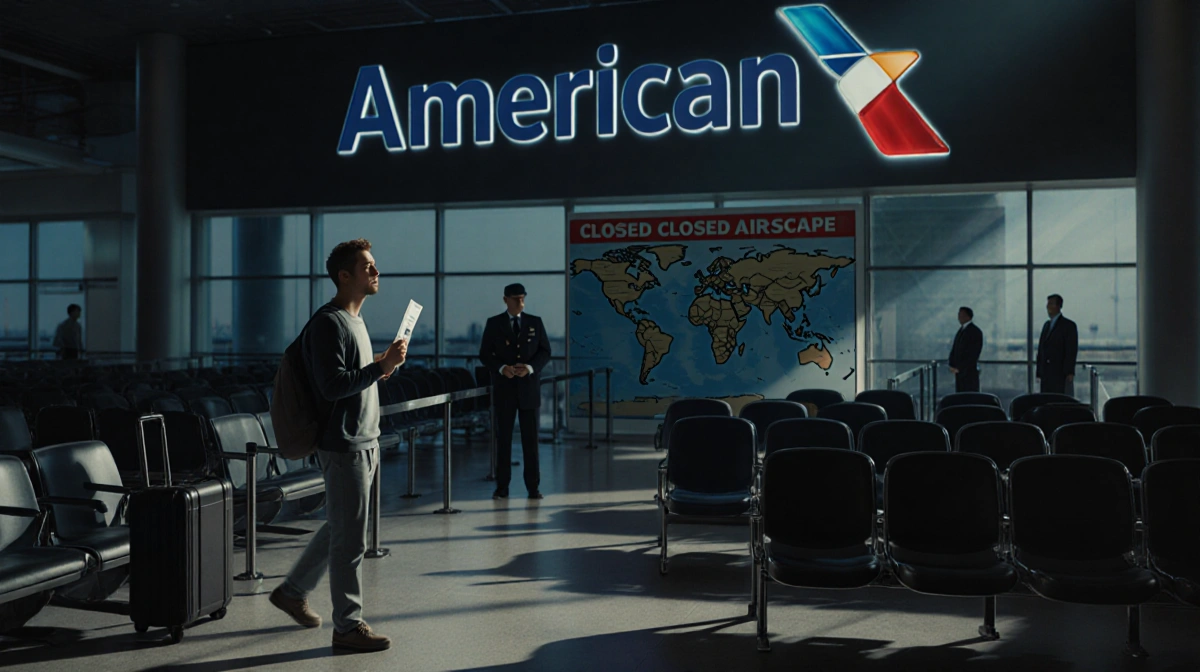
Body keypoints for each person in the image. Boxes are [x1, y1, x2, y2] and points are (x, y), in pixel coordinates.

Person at [269, 238, 407, 652]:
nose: (375, 271)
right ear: (344, 276)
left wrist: (381, 369)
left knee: (342, 529)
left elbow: (351, 381)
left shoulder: (355, 321)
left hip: (365, 439)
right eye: (367, 266)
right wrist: (380, 367)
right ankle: (347, 625)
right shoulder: (329, 322)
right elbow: (331, 387)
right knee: (350, 541)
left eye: (374, 265)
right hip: (343, 443)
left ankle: (292, 591)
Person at [478, 283, 551, 500]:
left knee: (531, 442)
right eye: (516, 298)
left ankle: (533, 487)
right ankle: (502, 487)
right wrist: (502, 368)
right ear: (505, 300)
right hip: (505, 390)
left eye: (522, 298)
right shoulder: (494, 324)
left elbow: (545, 351)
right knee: (504, 441)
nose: (520, 302)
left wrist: (529, 368)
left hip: (529, 390)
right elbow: (485, 354)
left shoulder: (535, 322)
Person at [1036, 293, 1078, 396]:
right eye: (1048, 304)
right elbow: (1041, 349)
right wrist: (1039, 371)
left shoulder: (1068, 326)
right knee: (1046, 400)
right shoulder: (1046, 326)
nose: (1048, 307)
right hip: (1046, 375)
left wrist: (1069, 371)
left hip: (1059, 374)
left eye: (1051, 304)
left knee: (1059, 400)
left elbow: (1071, 350)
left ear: (1058, 306)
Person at [948, 306, 983, 392]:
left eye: (961, 314)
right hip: (960, 372)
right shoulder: (961, 330)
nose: (959, 317)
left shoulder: (975, 331)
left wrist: (960, 367)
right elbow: (955, 349)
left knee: (969, 395)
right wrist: (952, 364)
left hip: (968, 372)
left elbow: (973, 354)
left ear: (968, 316)